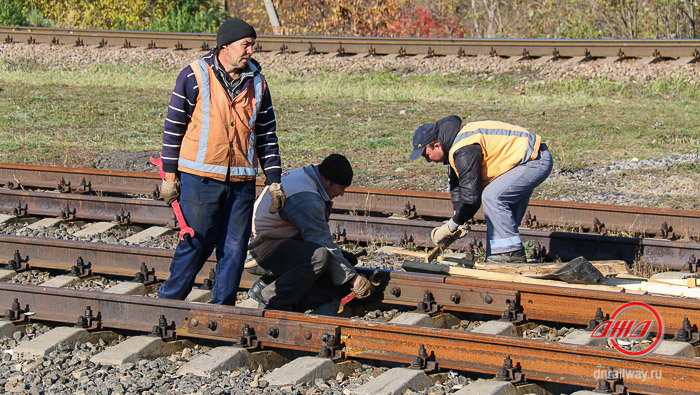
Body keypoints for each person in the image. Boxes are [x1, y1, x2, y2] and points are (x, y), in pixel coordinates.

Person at [157, 18, 286, 305]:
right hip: (199, 178)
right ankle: (168, 302)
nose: (251, 50)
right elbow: (173, 127)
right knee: (196, 242)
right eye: (246, 45)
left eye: (252, 45)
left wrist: (274, 180)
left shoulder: (258, 83)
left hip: (241, 181)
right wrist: (169, 175)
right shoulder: (193, 75)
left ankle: (222, 309)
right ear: (225, 47)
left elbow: (267, 134)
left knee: (235, 248)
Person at [409, 116, 553, 263]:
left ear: (437, 145)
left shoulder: (464, 149)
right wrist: (458, 217)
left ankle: (511, 254)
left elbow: (472, 199)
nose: (428, 160)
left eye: (426, 155)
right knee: (499, 216)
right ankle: (498, 257)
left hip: (534, 160)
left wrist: (451, 226)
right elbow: (457, 184)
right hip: (526, 160)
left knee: (492, 197)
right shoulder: (456, 144)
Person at [246, 154, 373, 311]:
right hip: (260, 251)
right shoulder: (306, 198)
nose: (342, 194)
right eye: (341, 188)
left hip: (273, 243)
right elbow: (321, 241)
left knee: (340, 258)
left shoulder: (306, 177)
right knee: (319, 256)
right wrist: (353, 279)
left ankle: (263, 285)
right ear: (327, 181)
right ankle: (273, 299)